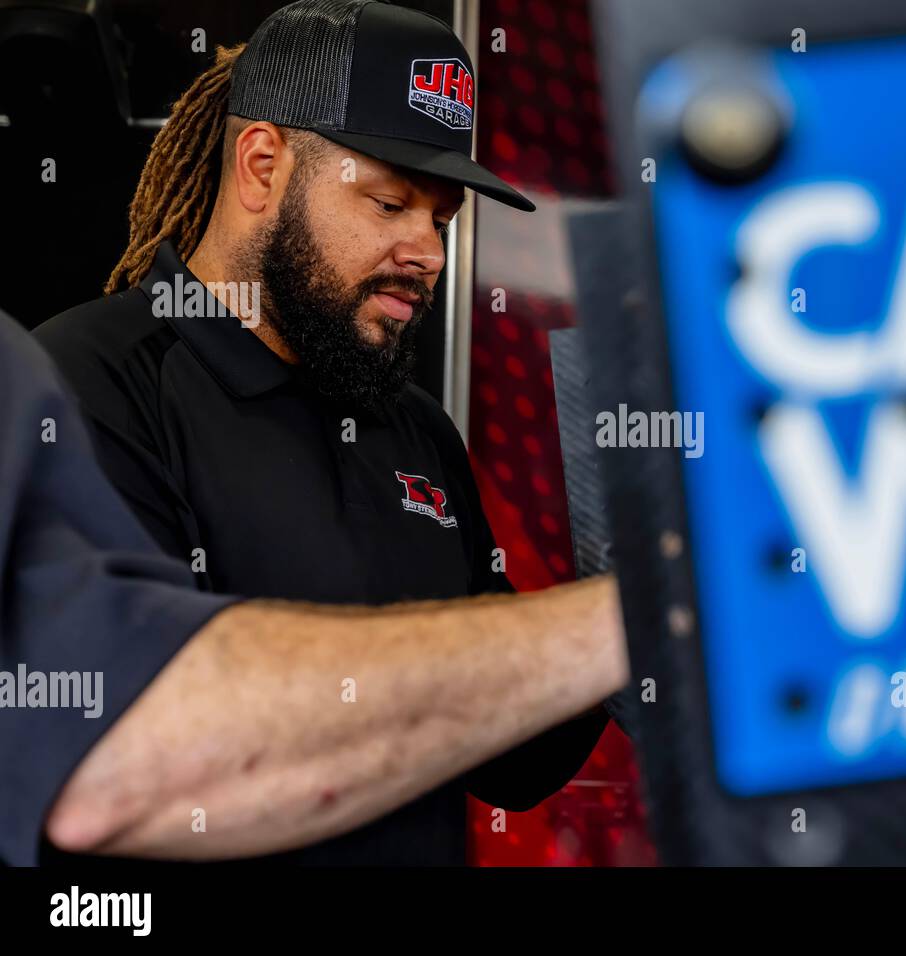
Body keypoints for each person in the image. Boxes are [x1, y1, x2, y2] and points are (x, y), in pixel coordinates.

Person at [26, 0, 623, 865]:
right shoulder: (91, 384)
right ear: (262, 166)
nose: (430, 253)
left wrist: (655, 576)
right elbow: (125, 750)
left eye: (443, 219)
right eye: (389, 203)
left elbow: (513, 762)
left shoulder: (416, 429)